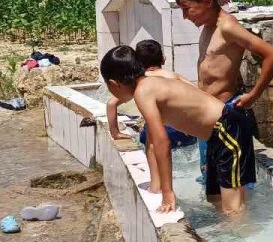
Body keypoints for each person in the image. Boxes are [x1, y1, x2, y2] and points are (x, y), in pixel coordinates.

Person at [101, 45, 256, 214]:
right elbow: (154, 140)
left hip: (227, 128)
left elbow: (161, 141)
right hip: (219, 132)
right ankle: (232, 235)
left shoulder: (143, 92)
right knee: (215, 199)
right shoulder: (150, 82)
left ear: (113, 84)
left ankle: (246, 236)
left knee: (233, 208)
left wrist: (167, 192)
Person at [173, 0, 273, 202]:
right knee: (212, 188)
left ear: (207, 1)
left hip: (227, 118)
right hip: (209, 120)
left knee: (235, 191)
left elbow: (272, 55)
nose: (184, 16)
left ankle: (243, 232)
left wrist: (253, 95)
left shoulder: (227, 28)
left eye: (186, 8)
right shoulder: (208, 27)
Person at [105, 39, 196, 193]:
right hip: (181, 130)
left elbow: (111, 104)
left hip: (158, 132)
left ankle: (156, 185)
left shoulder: (141, 83)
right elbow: (196, 92)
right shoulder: (173, 76)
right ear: (163, 60)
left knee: (151, 141)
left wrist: (115, 132)